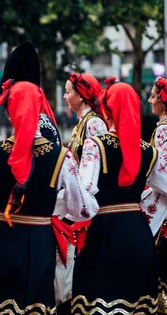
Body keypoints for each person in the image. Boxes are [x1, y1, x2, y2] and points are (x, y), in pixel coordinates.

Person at [0, 81, 97, 314]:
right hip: (39, 240)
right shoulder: (62, 157)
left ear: (9, 112)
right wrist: (52, 205)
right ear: (39, 111)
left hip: (3, 237)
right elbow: (83, 208)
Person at [72, 78, 161, 313]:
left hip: (105, 232)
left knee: (100, 302)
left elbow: (84, 193)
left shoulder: (94, 145)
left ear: (108, 109)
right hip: (139, 234)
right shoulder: (150, 152)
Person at [56, 71, 107, 314]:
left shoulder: (94, 123)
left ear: (82, 96)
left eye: (68, 92)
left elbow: (97, 167)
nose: (65, 96)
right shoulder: (83, 123)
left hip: (88, 202)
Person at [141, 77, 167, 313]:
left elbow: (161, 174)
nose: (150, 101)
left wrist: (145, 175)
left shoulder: (162, 130)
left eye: (153, 96)